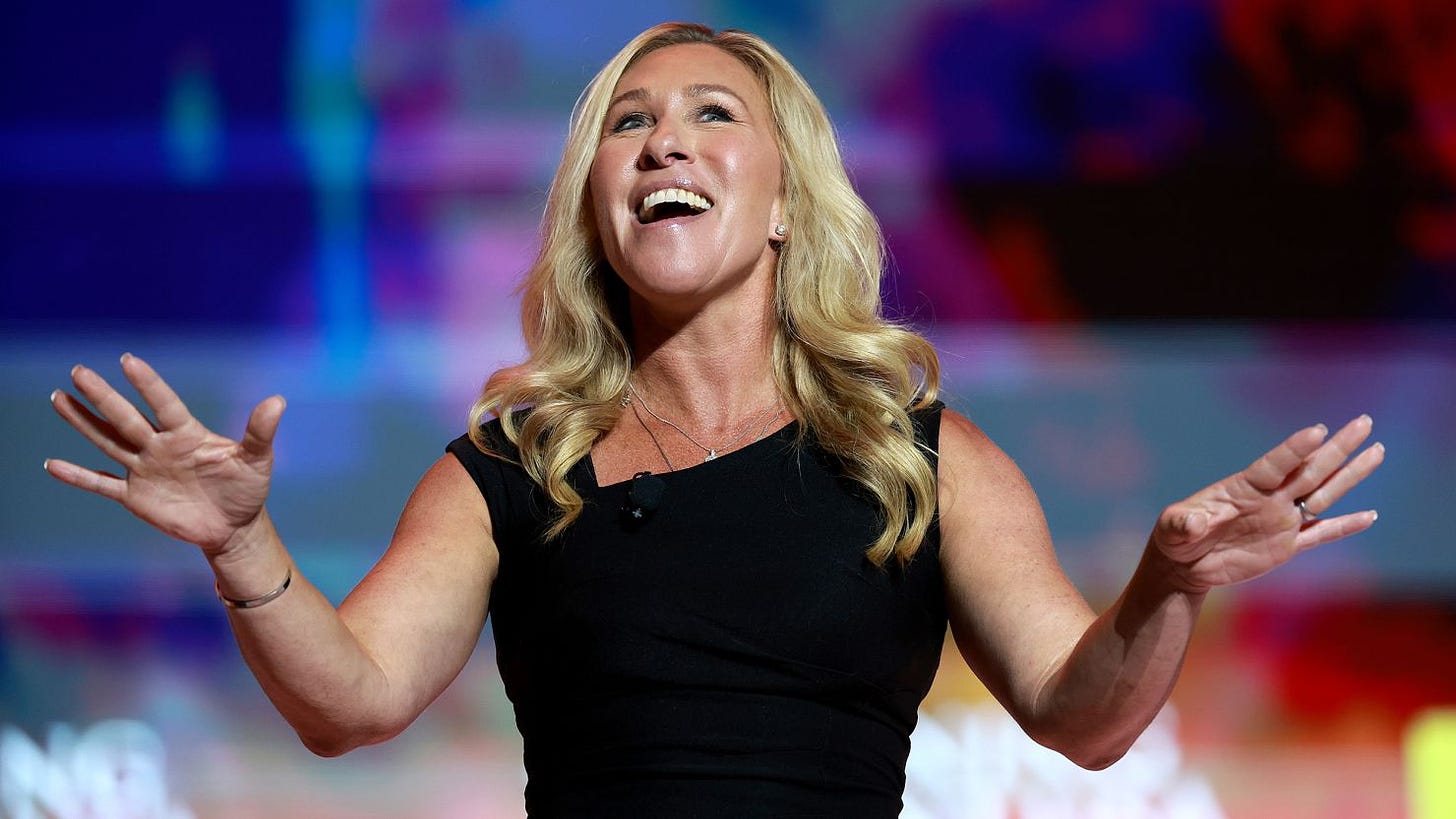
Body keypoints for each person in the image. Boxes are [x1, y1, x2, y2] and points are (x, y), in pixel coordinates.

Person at [44, 21, 1384, 818]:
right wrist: (240, 547)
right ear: (594, 206)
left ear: (788, 199)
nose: (662, 143)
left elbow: (1084, 721)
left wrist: (1167, 581)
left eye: (708, 115)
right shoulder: (516, 469)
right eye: (627, 125)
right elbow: (349, 705)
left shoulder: (924, 462)